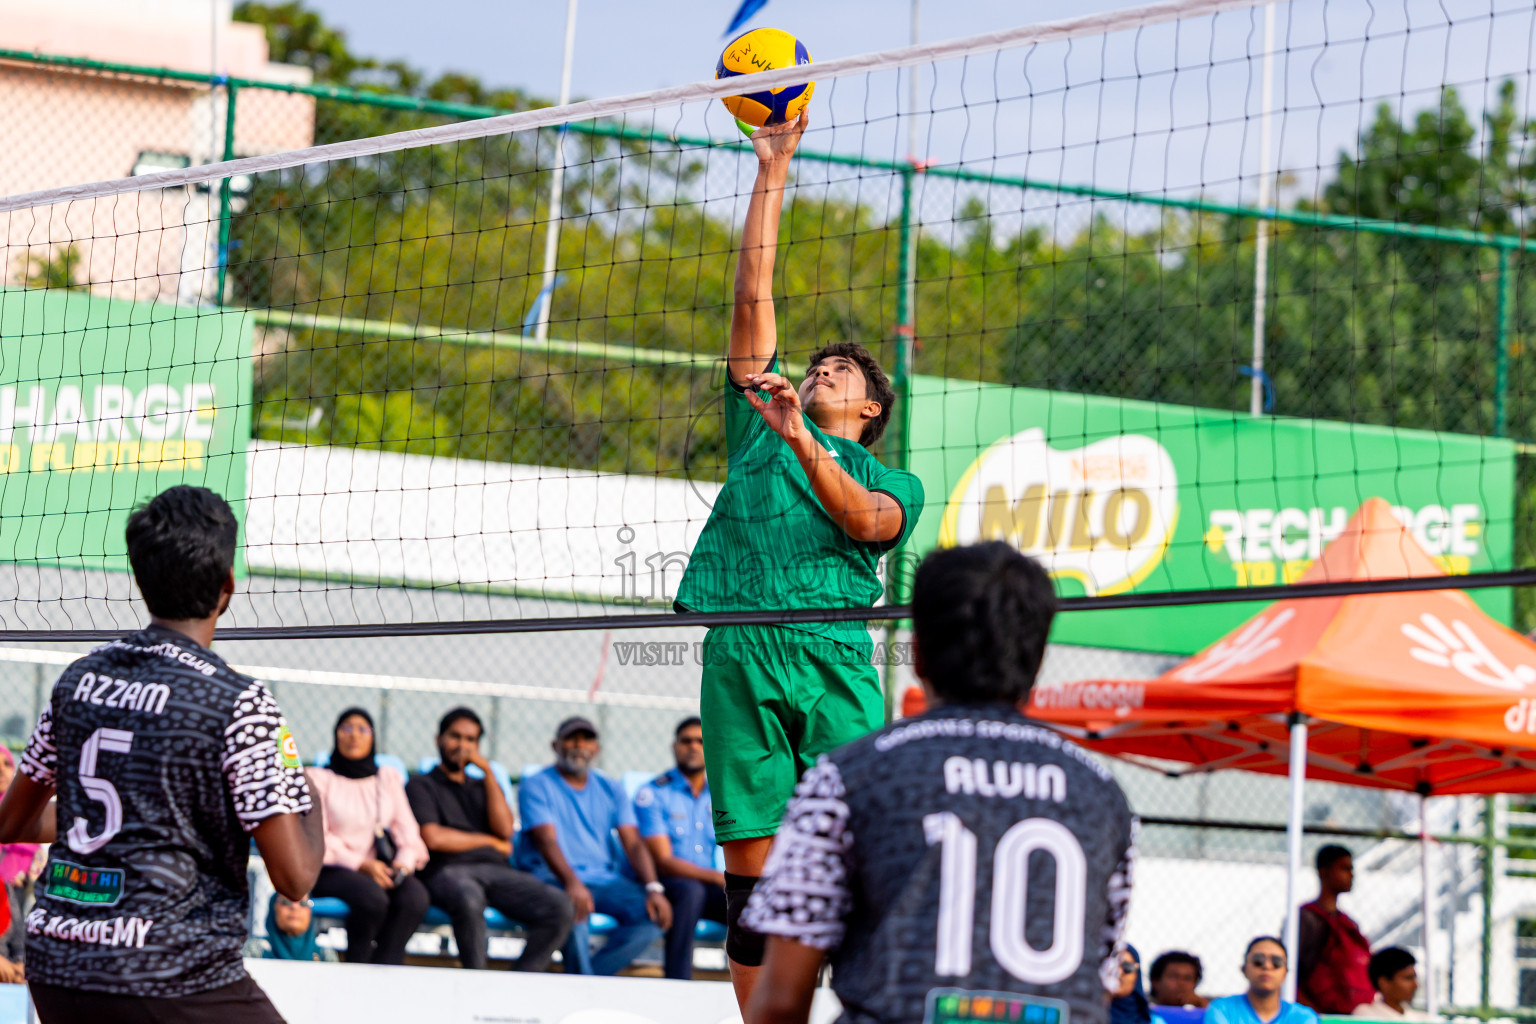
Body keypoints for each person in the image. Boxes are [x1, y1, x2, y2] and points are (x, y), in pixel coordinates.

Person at [672, 107, 925, 1008]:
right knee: (752, 889)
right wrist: (771, 169)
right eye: (814, 365)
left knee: (853, 862)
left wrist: (800, 435)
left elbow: (866, 523)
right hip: (742, 648)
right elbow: (753, 296)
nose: (821, 370)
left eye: (840, 371)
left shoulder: (892, 478)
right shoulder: (758, 424)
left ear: (870, 409)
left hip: (833, 660)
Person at [741, 542, 1137, 1024]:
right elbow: (1098, 984)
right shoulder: (1103, 796)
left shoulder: (849, 777)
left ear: (918, 655)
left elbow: (781, 1001)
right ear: (1036, 660)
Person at [0, 485, 323, 1023]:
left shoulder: (79, 680)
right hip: (169, 971)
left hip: (57, 966)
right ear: (227, 585)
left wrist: (106, 816)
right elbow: (295, 879)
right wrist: (306, 792)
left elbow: (11, 822)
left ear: (140, 578)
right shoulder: (237, 702)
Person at [406, 707, 572, 971]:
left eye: (470, 740)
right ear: (439, 739)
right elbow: (434, 838)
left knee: (560, 906)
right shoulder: (421, 784)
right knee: (468, 896)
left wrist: (488, 772)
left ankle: (517, 981)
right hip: (446, 870)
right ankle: (478, 979)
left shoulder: (484, 785)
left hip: (496, 872)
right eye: (455, 737)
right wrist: (491, 842)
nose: (462, 746)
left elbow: (505, 830)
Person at [516, 716, 671, 976]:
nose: (579, 746)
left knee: (654, 915)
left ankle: (589, 980)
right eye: (571, 739)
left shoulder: (610, 787)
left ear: (596, 749)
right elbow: (546, 840)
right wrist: (572, 883)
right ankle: (584, 984)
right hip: (554, 879)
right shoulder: (536, 785)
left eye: (587, 740)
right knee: (572, 912)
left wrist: (653, 888)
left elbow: (633, 842)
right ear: (555, 745)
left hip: (604, 881)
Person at [308, 708, 430, 965]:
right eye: (347, 728)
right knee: (372, 899)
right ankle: (358, 965)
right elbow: (318, 835)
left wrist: (402, 865)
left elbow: (406, 829)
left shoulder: (386, 778)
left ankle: (385, 966)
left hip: (380, 869)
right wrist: (361, 864)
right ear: (336, 735)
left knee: (415, 897)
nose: (354, 735)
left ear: (373, 737)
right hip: (332, 868)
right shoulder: (320, 779)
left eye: (362, 729)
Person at [636, 716, 726, 980]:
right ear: (674, 747)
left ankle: (759, 986)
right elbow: (663, 861)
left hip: (706, 885)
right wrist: (717, 877)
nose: (693, 747)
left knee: (745, 901)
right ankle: (678, 981)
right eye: (686, 741)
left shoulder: (720, 793)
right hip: (668, 884)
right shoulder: (653, 793)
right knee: (690, 891)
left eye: (700, 741)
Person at [1298, 844, 1374, 1014]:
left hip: (1350, 1011)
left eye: (1351, 869)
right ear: (1324, 873)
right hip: (1319, 1012)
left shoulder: (1347, 923)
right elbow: (1292, 970)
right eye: (1344, 868)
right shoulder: (1307, 919)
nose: (1351, 875)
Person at [1207, 937, 1320, 1024]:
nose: (1267, 966)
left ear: (1285, 973)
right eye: (1258, 960)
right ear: (1244, 969)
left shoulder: (1303, 1017)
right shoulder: (1222, 1009)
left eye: (1276, 962)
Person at [0, 747, 39, 973]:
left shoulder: (32, 818)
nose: (1, 771)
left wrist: (19, 963)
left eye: (6, 764)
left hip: (13, 939)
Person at [1352, 947, 1435, 1020]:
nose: (1415, 985)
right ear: (1384, 983)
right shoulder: (1365, 1014)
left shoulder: (1421, 1018)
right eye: (1408, 978)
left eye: (1414, 978)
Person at [261, 894, 334, 963]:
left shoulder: (325, 957)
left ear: (310, 912)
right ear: (273, 908)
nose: (295, 907)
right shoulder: (258, 951)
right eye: (285, 902)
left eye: (303, 903)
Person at [1112, 947, 1161, 1024]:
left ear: (1136, 974)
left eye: (1127, 967)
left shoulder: (1153, 1021)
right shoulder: (1092, 1012)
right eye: (1112, 967)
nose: (1118, 972)